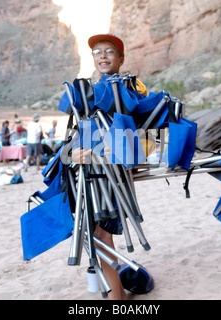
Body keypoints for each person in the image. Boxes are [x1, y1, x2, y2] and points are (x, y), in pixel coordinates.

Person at [72, 34, 148, 300]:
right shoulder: (87, 93)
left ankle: (117, 298)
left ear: (121, 58)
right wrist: (74, 153)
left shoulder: (131, 88)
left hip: (114, 178)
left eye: (110, 51)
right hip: (91, 179)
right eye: (97, 52)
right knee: (96, 236)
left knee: (101, 236)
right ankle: (116, 290)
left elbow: (142, 134)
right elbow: (74, 139)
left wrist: (117, 147)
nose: (102, 56)